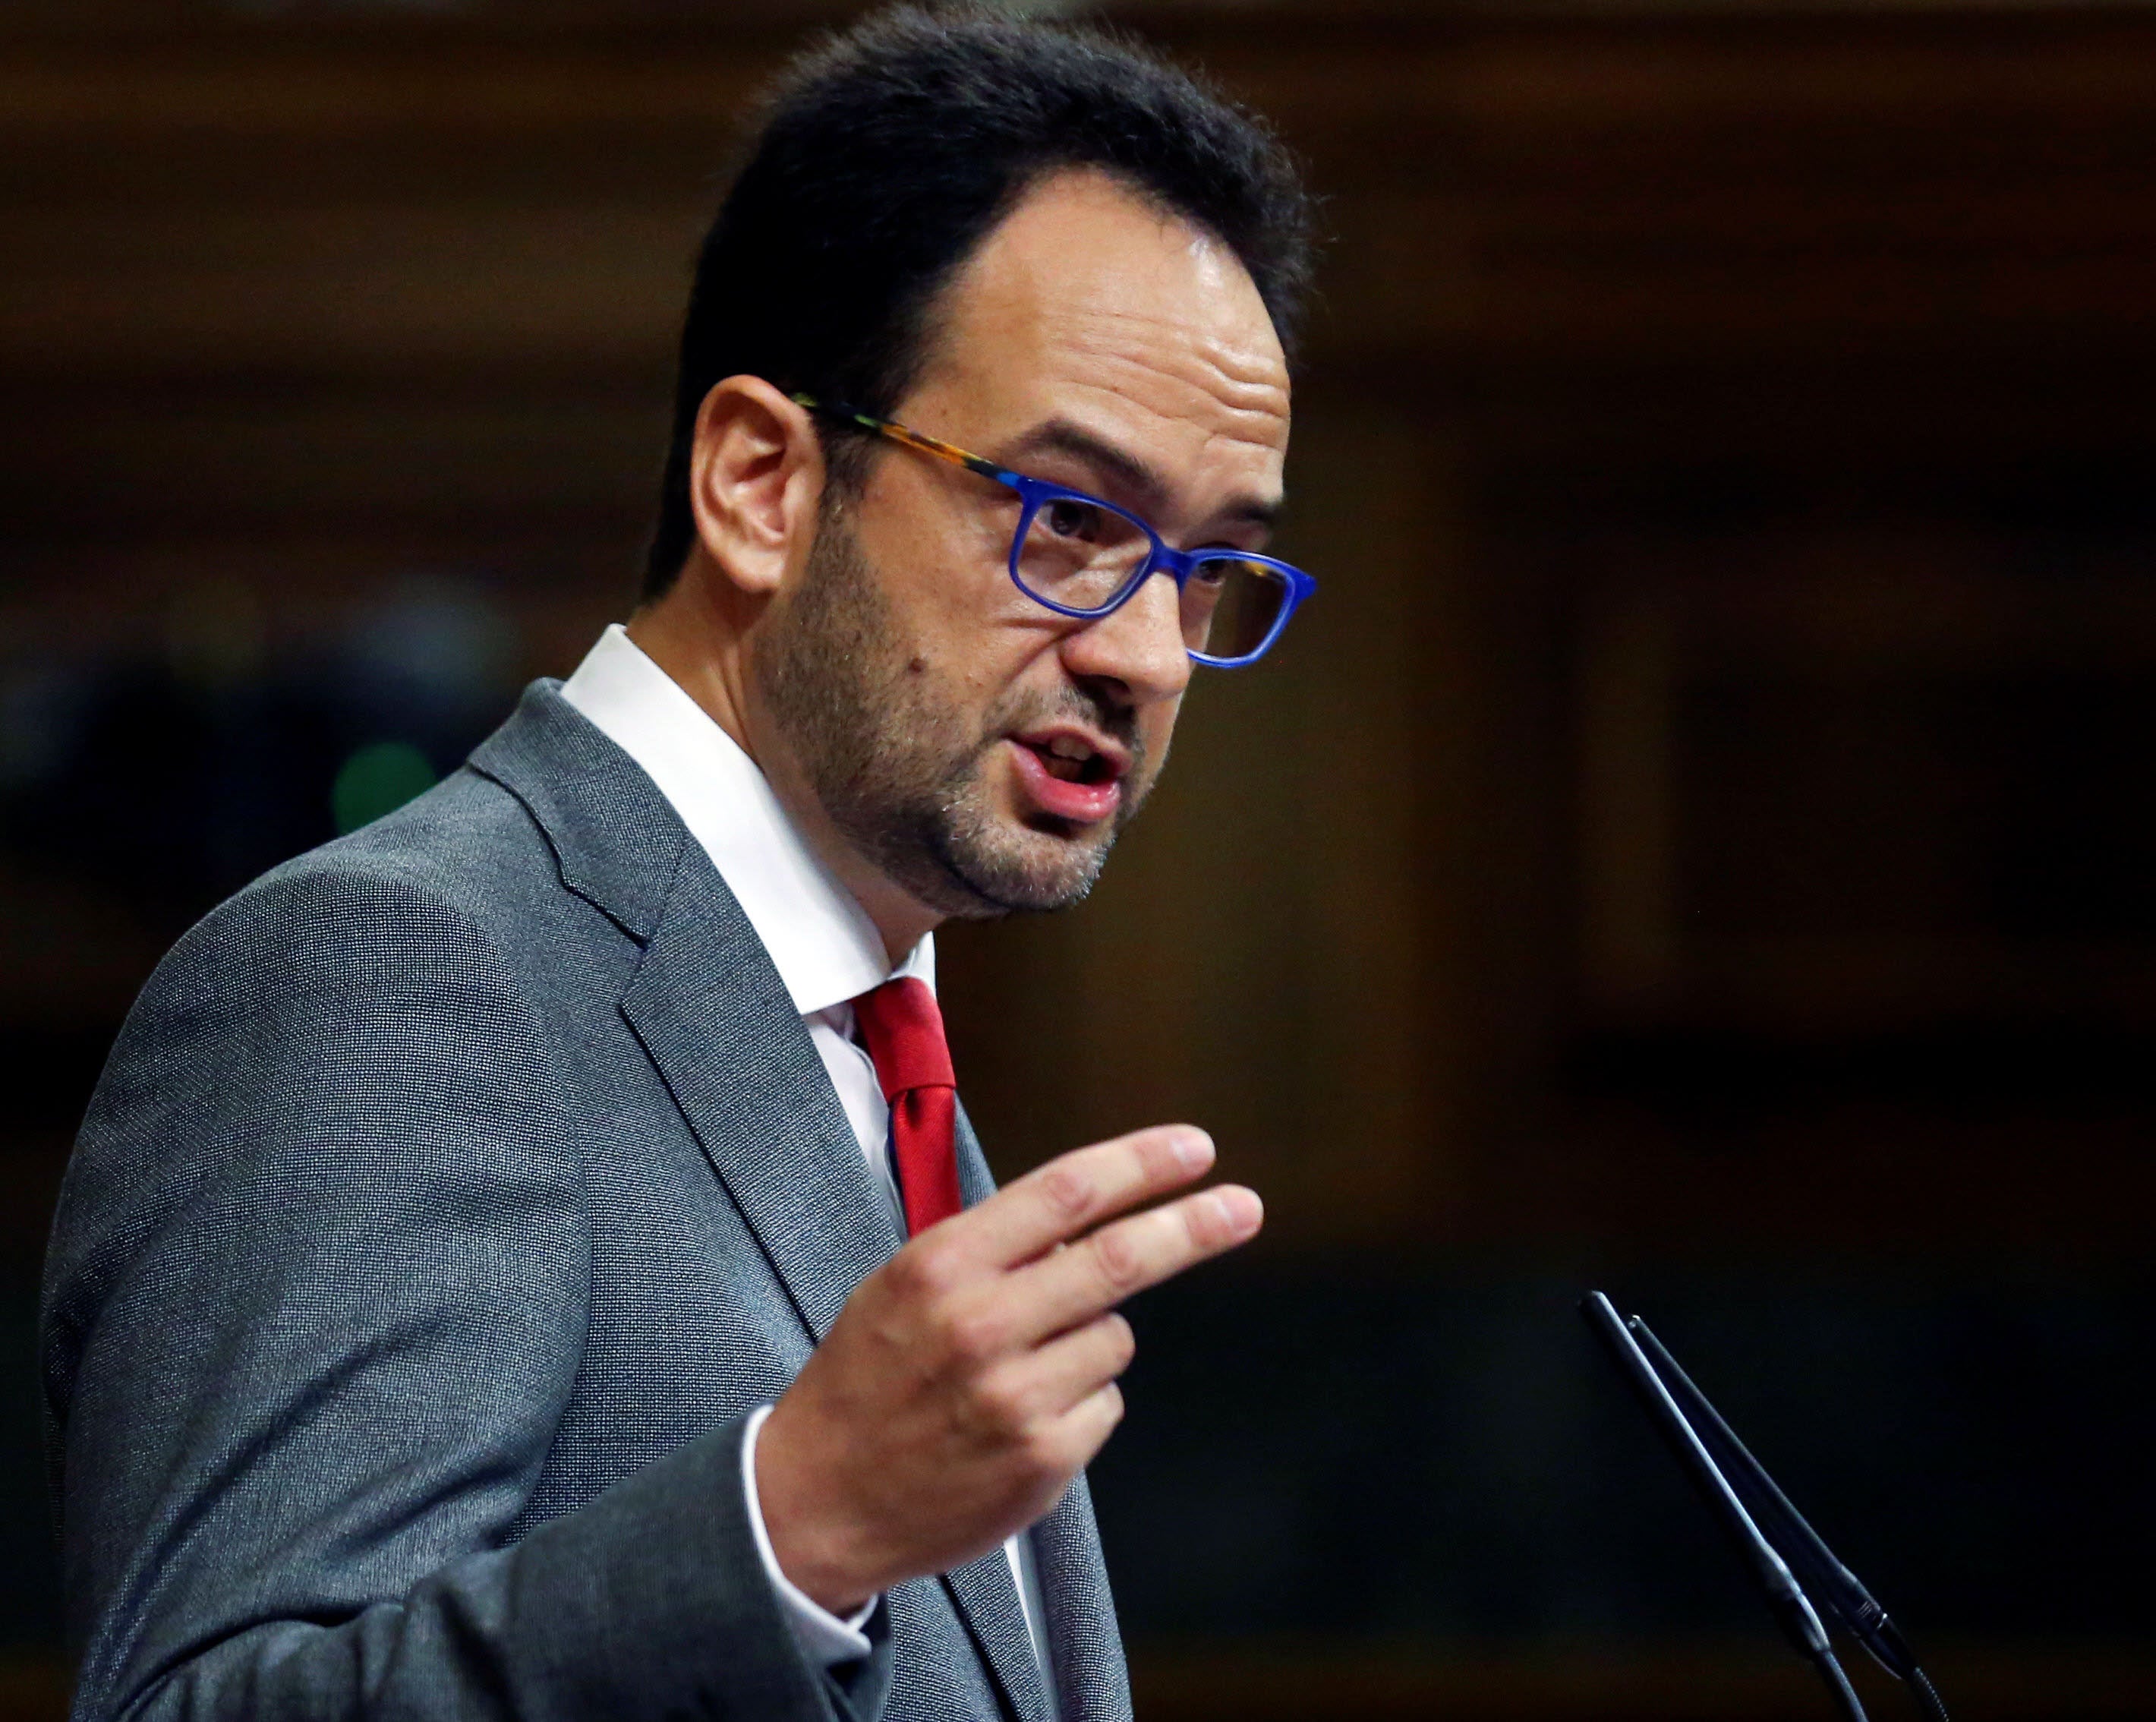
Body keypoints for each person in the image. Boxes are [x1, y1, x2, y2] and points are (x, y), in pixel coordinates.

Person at [39, 11, 1318, 1721]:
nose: (1149, 655)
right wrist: (788, 1527)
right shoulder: (392, 974)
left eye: (1211, 566)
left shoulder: (872, 1047)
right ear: (761, 482)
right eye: (1070, 516)